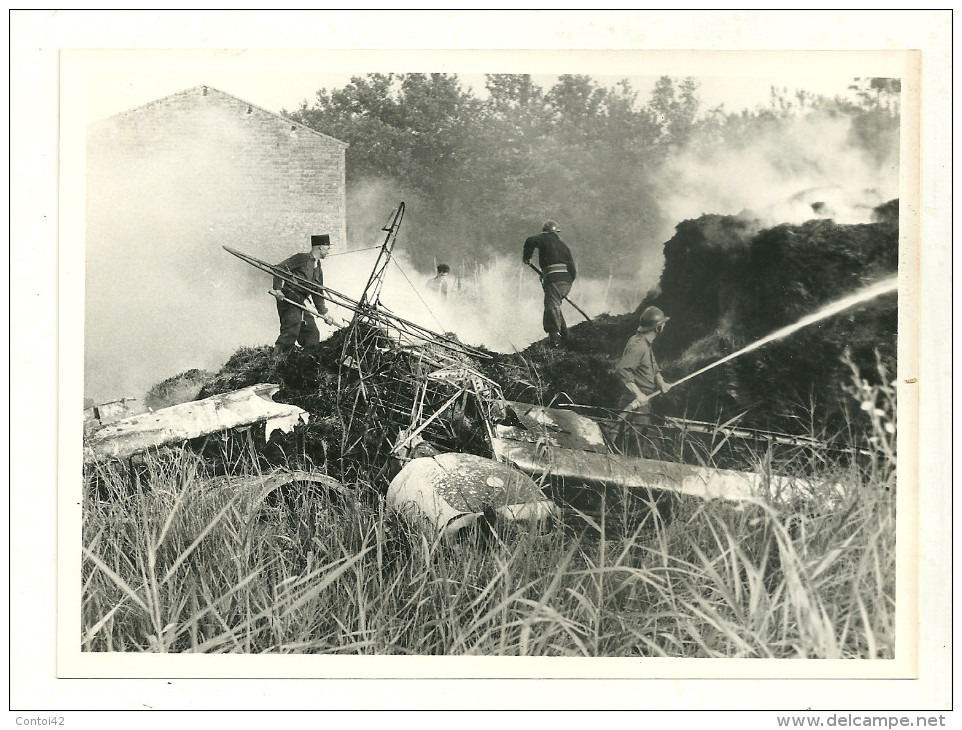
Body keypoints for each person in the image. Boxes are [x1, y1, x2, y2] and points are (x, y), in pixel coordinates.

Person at [270, 234, 337, 356]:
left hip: (301, 302)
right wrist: (278, 290)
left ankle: (307, 362)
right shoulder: (301, 258)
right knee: (291, 329)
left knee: (312, 333)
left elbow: (317, 292)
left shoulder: (318, 267)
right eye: (327, 248)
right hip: (289, 299)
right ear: (320, 247)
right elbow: (279, 268)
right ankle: (276, 360)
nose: (328, 252)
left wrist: (325, 313)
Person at [522, 220, 577, 347]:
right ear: (557, 232)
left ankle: (555, 340)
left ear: (546, 232)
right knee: (555, 304)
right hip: (566, 281)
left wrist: (527, 257)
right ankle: (565, 334)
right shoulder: (564, 246)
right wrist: (565, 284)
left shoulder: (545, 238)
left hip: (554, 280)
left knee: (551, 306)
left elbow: (530, 240)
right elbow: (572, 270)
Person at [615, 306, 673, 418]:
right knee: (629, 434)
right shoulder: (638, 345)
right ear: (657, 328)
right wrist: (638, 394)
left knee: (640, 433)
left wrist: (661, 383)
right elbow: (622, 370)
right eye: (662, 324)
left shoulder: (646, 344)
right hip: (634, 401)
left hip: (644, 400)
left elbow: (653, 367)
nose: (664, 326)